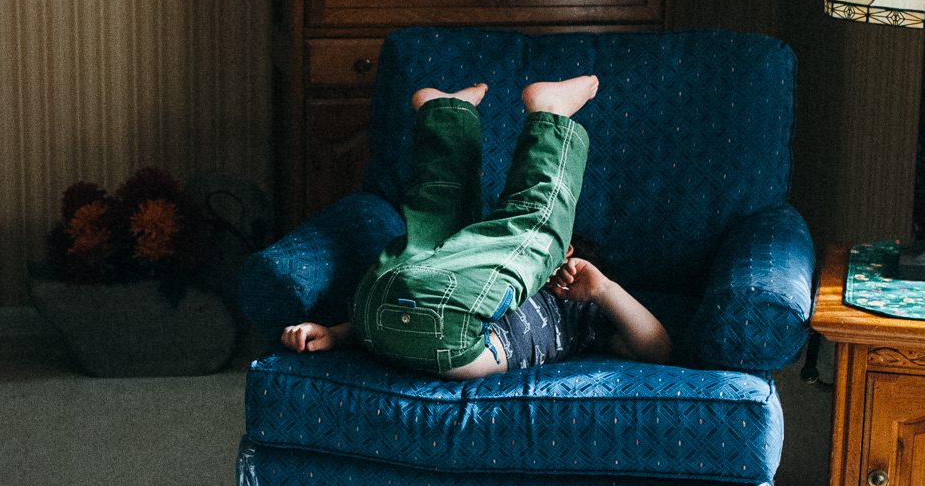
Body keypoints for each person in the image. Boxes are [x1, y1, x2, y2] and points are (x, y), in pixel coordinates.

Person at [281, 77, 671, 378]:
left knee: (455, 220)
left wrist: (602, 289)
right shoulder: (484, 270)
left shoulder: (580, 312)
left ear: (571, 255)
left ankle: (446, 119)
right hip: (382, 316)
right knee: (441, 230)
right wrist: (336, 334)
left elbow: (658, 349)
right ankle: (466, 114)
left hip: (399, 316)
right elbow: (410, 308)